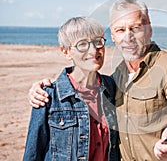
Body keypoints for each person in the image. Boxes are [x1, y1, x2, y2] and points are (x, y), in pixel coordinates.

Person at [28, 0, 167, 161]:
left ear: (149, 29)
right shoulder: (115, 78)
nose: (128, 37)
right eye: (120, 30)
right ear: (113, 36)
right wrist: (46, 87)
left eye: (136, 28)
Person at [23, 17, 120, 161]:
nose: (93, 50)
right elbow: (33, 153)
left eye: (98, 42)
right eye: (82, 44)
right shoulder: (48, 96)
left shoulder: (112, 87)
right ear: (66, 52)